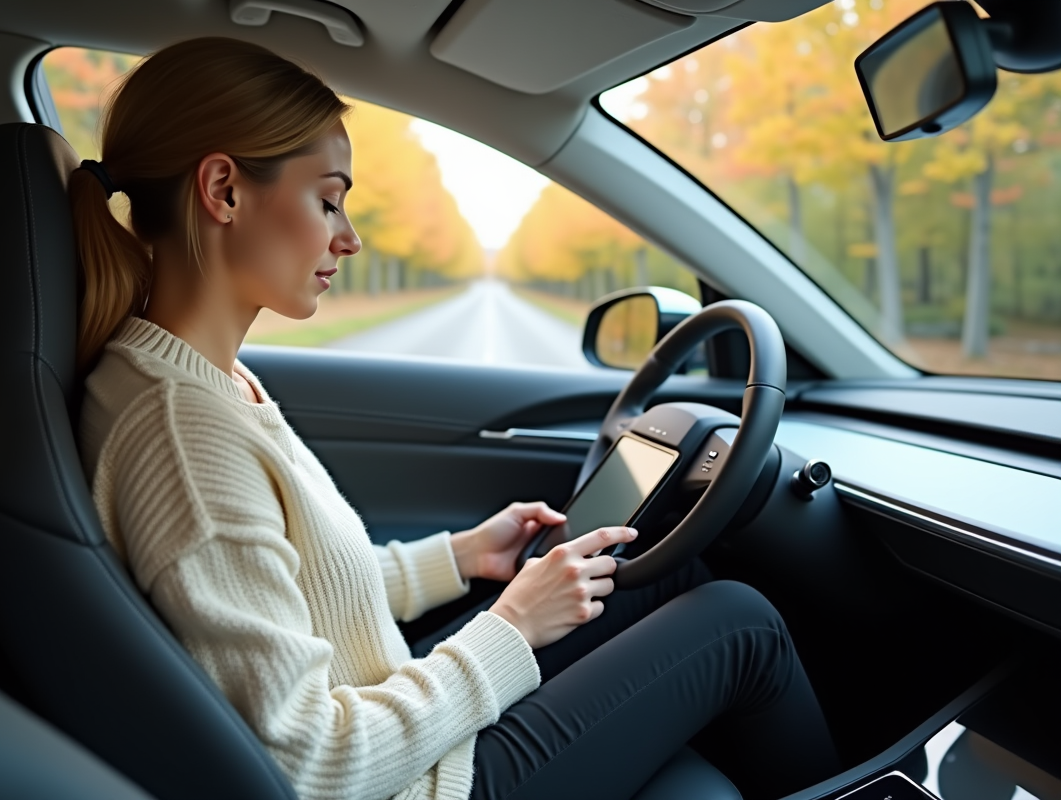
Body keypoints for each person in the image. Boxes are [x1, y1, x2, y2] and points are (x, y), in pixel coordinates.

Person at [75, 37, 840, 800]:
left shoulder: (199, 381)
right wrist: (511, 628)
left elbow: (291, 589)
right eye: (328, 199)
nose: (350, 236)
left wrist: (465, 556)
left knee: (647, 579)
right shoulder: (183, 432)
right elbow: (305, 765)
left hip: (394, 723)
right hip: (418, 786)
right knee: (740, 622)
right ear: (223, 189)